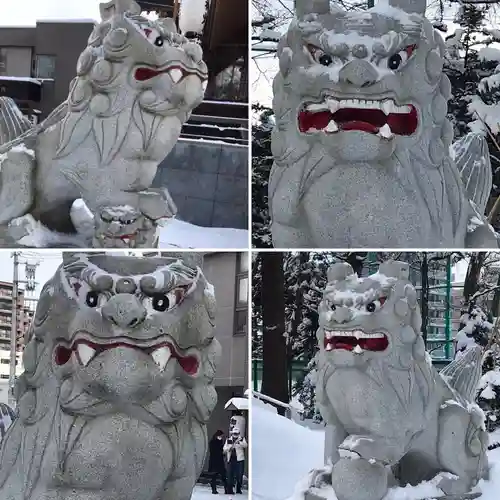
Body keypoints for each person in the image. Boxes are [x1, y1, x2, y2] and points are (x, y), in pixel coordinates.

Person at [223, 429, 247, 494]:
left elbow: (245, 445)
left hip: (239, 460)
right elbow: (224, 449)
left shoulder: (241, 439)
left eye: (236, 434)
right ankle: (230, 490)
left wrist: (239, 442)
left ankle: (238, 488)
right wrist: (230, 447)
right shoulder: (229, 439)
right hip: (231, 459)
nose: (235, 435)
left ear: (238, 434)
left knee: (239, 475)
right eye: (234, 434)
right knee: (230, 474)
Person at [208, 430, 228, 494]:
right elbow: (213, 451)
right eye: (221, 436)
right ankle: (214, 490)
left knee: (223, 476)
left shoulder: (220, 442)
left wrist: (224, 453)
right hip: (214, 461)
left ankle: (226, 489)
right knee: (214, 476)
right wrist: (221, 453)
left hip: (220, 461)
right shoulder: (212, 442)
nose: (221, 437)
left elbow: (221, 450)